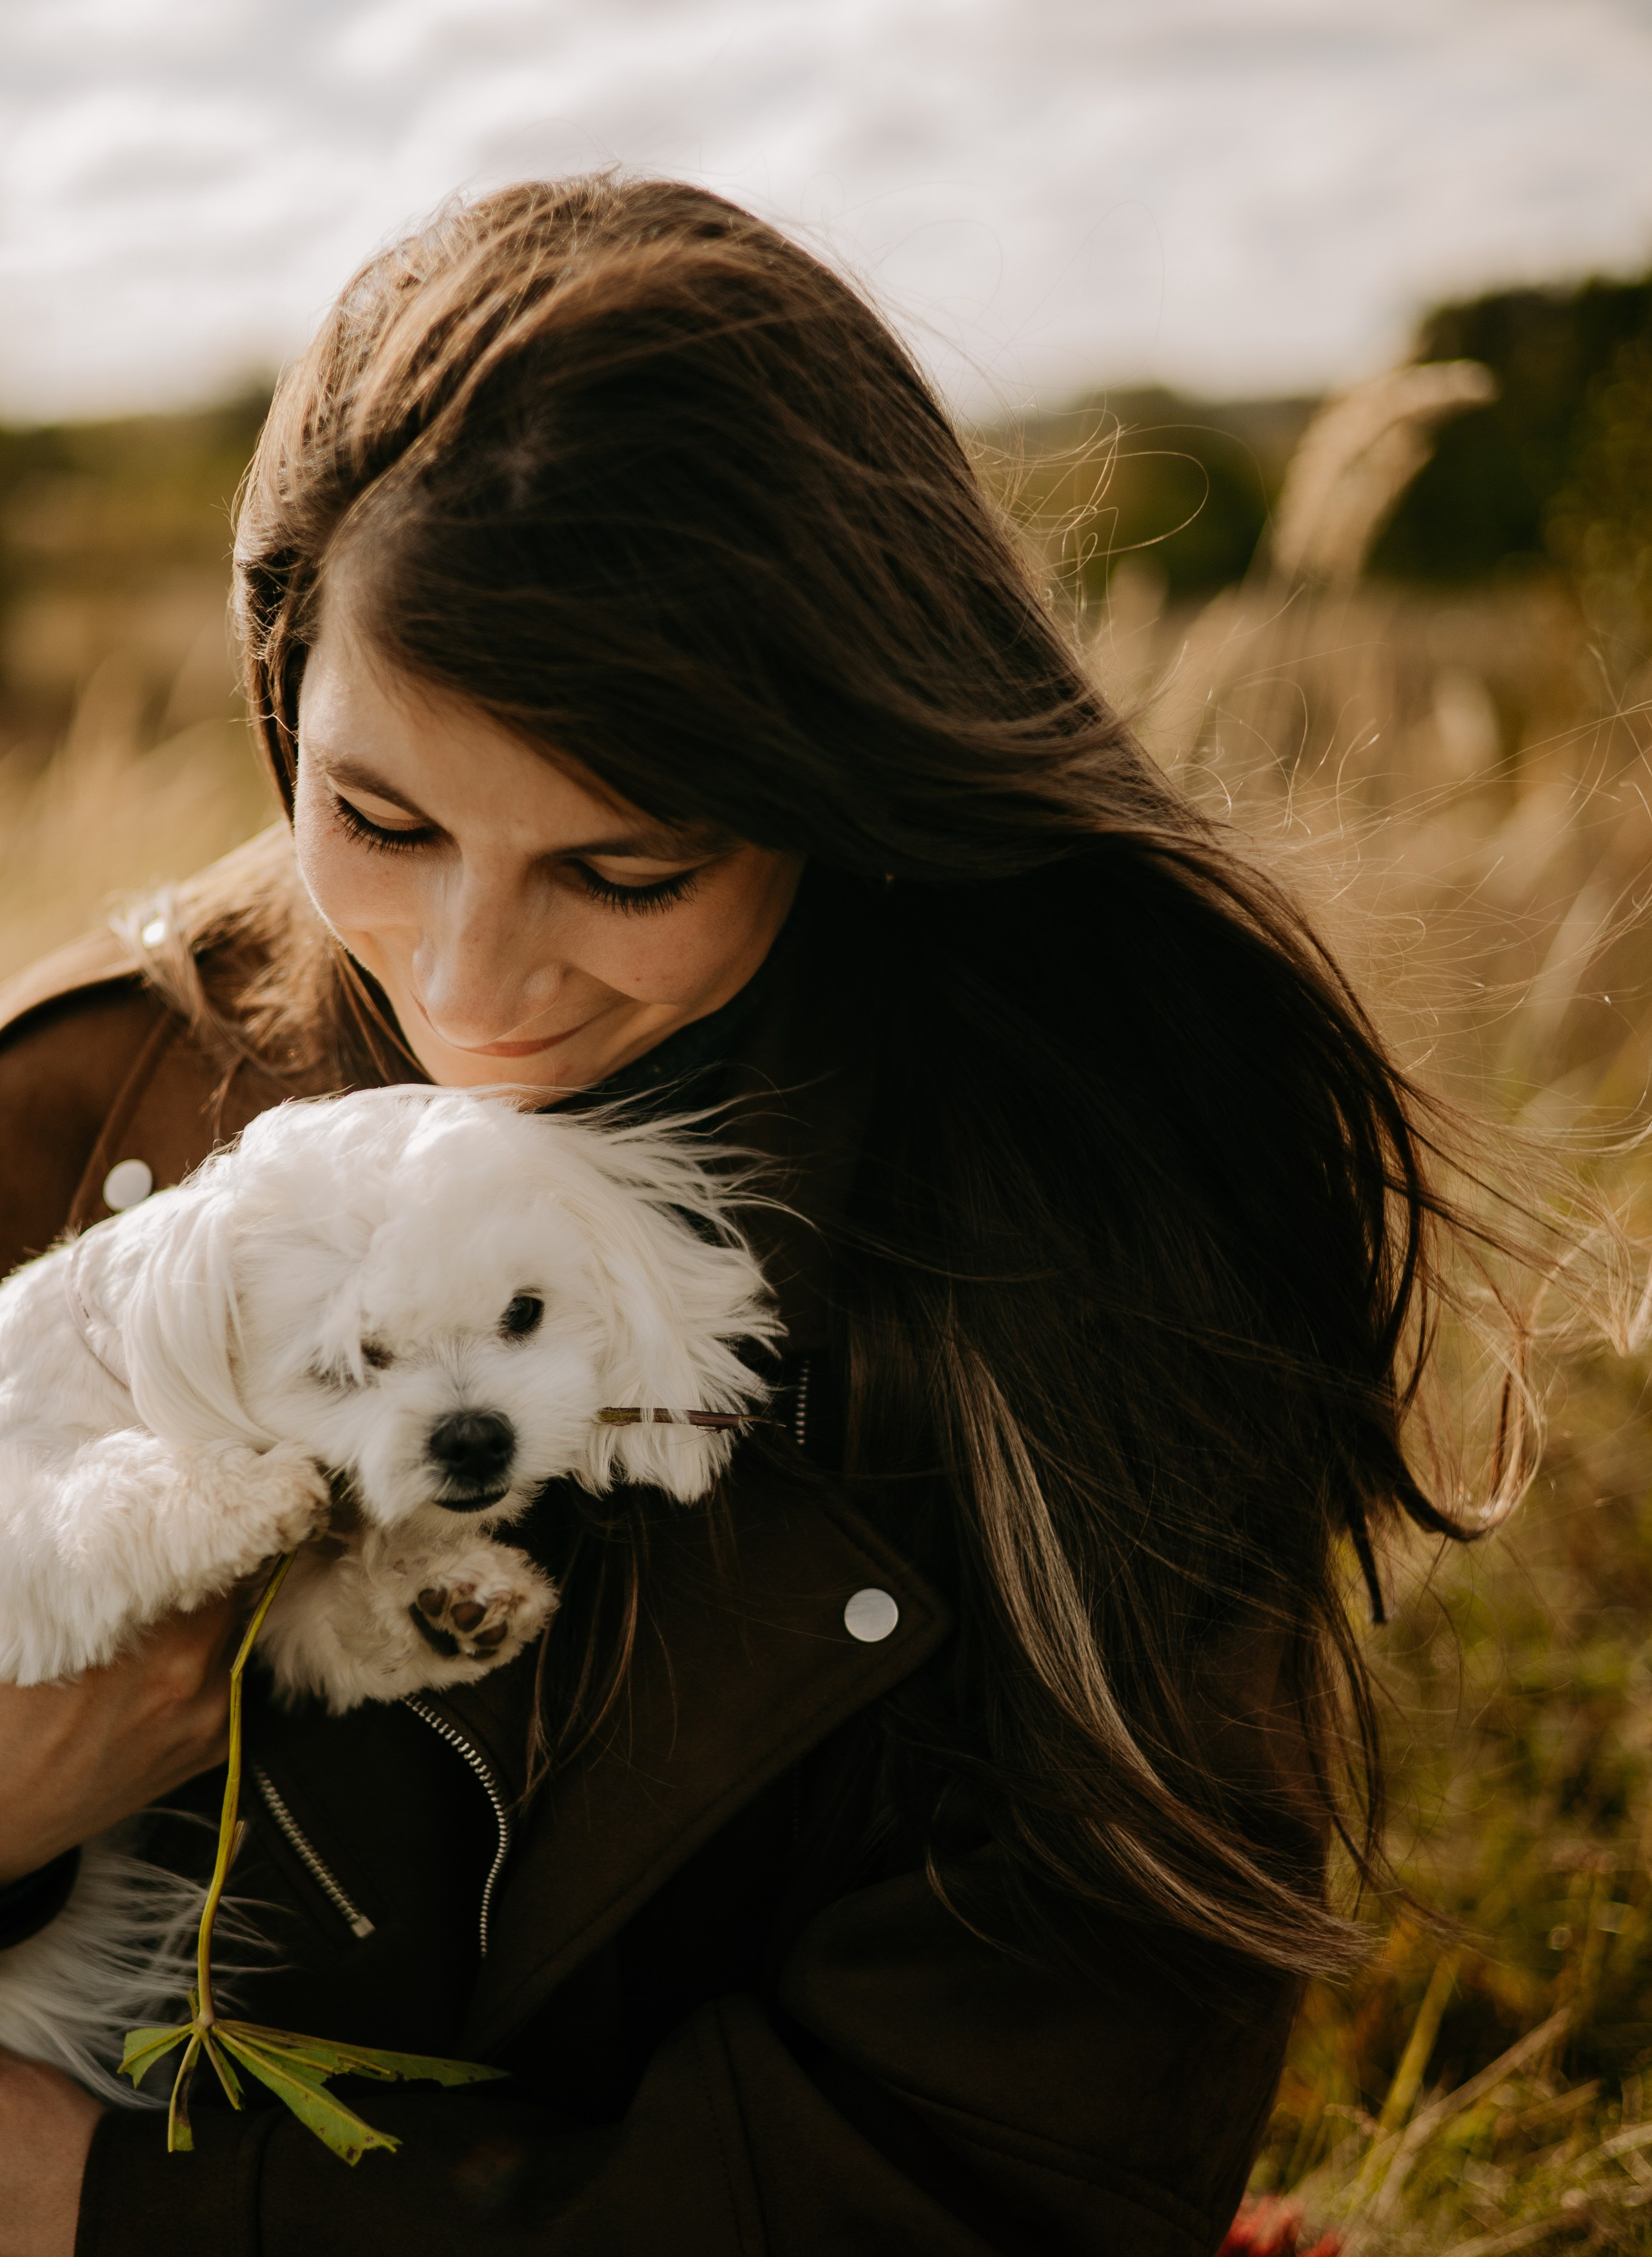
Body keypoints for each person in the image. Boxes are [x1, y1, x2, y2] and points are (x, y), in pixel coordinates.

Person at [0, 177, 1522, 2256]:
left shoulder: (1100, 1273)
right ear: (281, 697)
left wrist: (119, 2207)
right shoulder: (80, 1107)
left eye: (625, 872)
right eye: (378, 819)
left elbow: (977, 2165)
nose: (469, 982)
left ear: (840, 785)